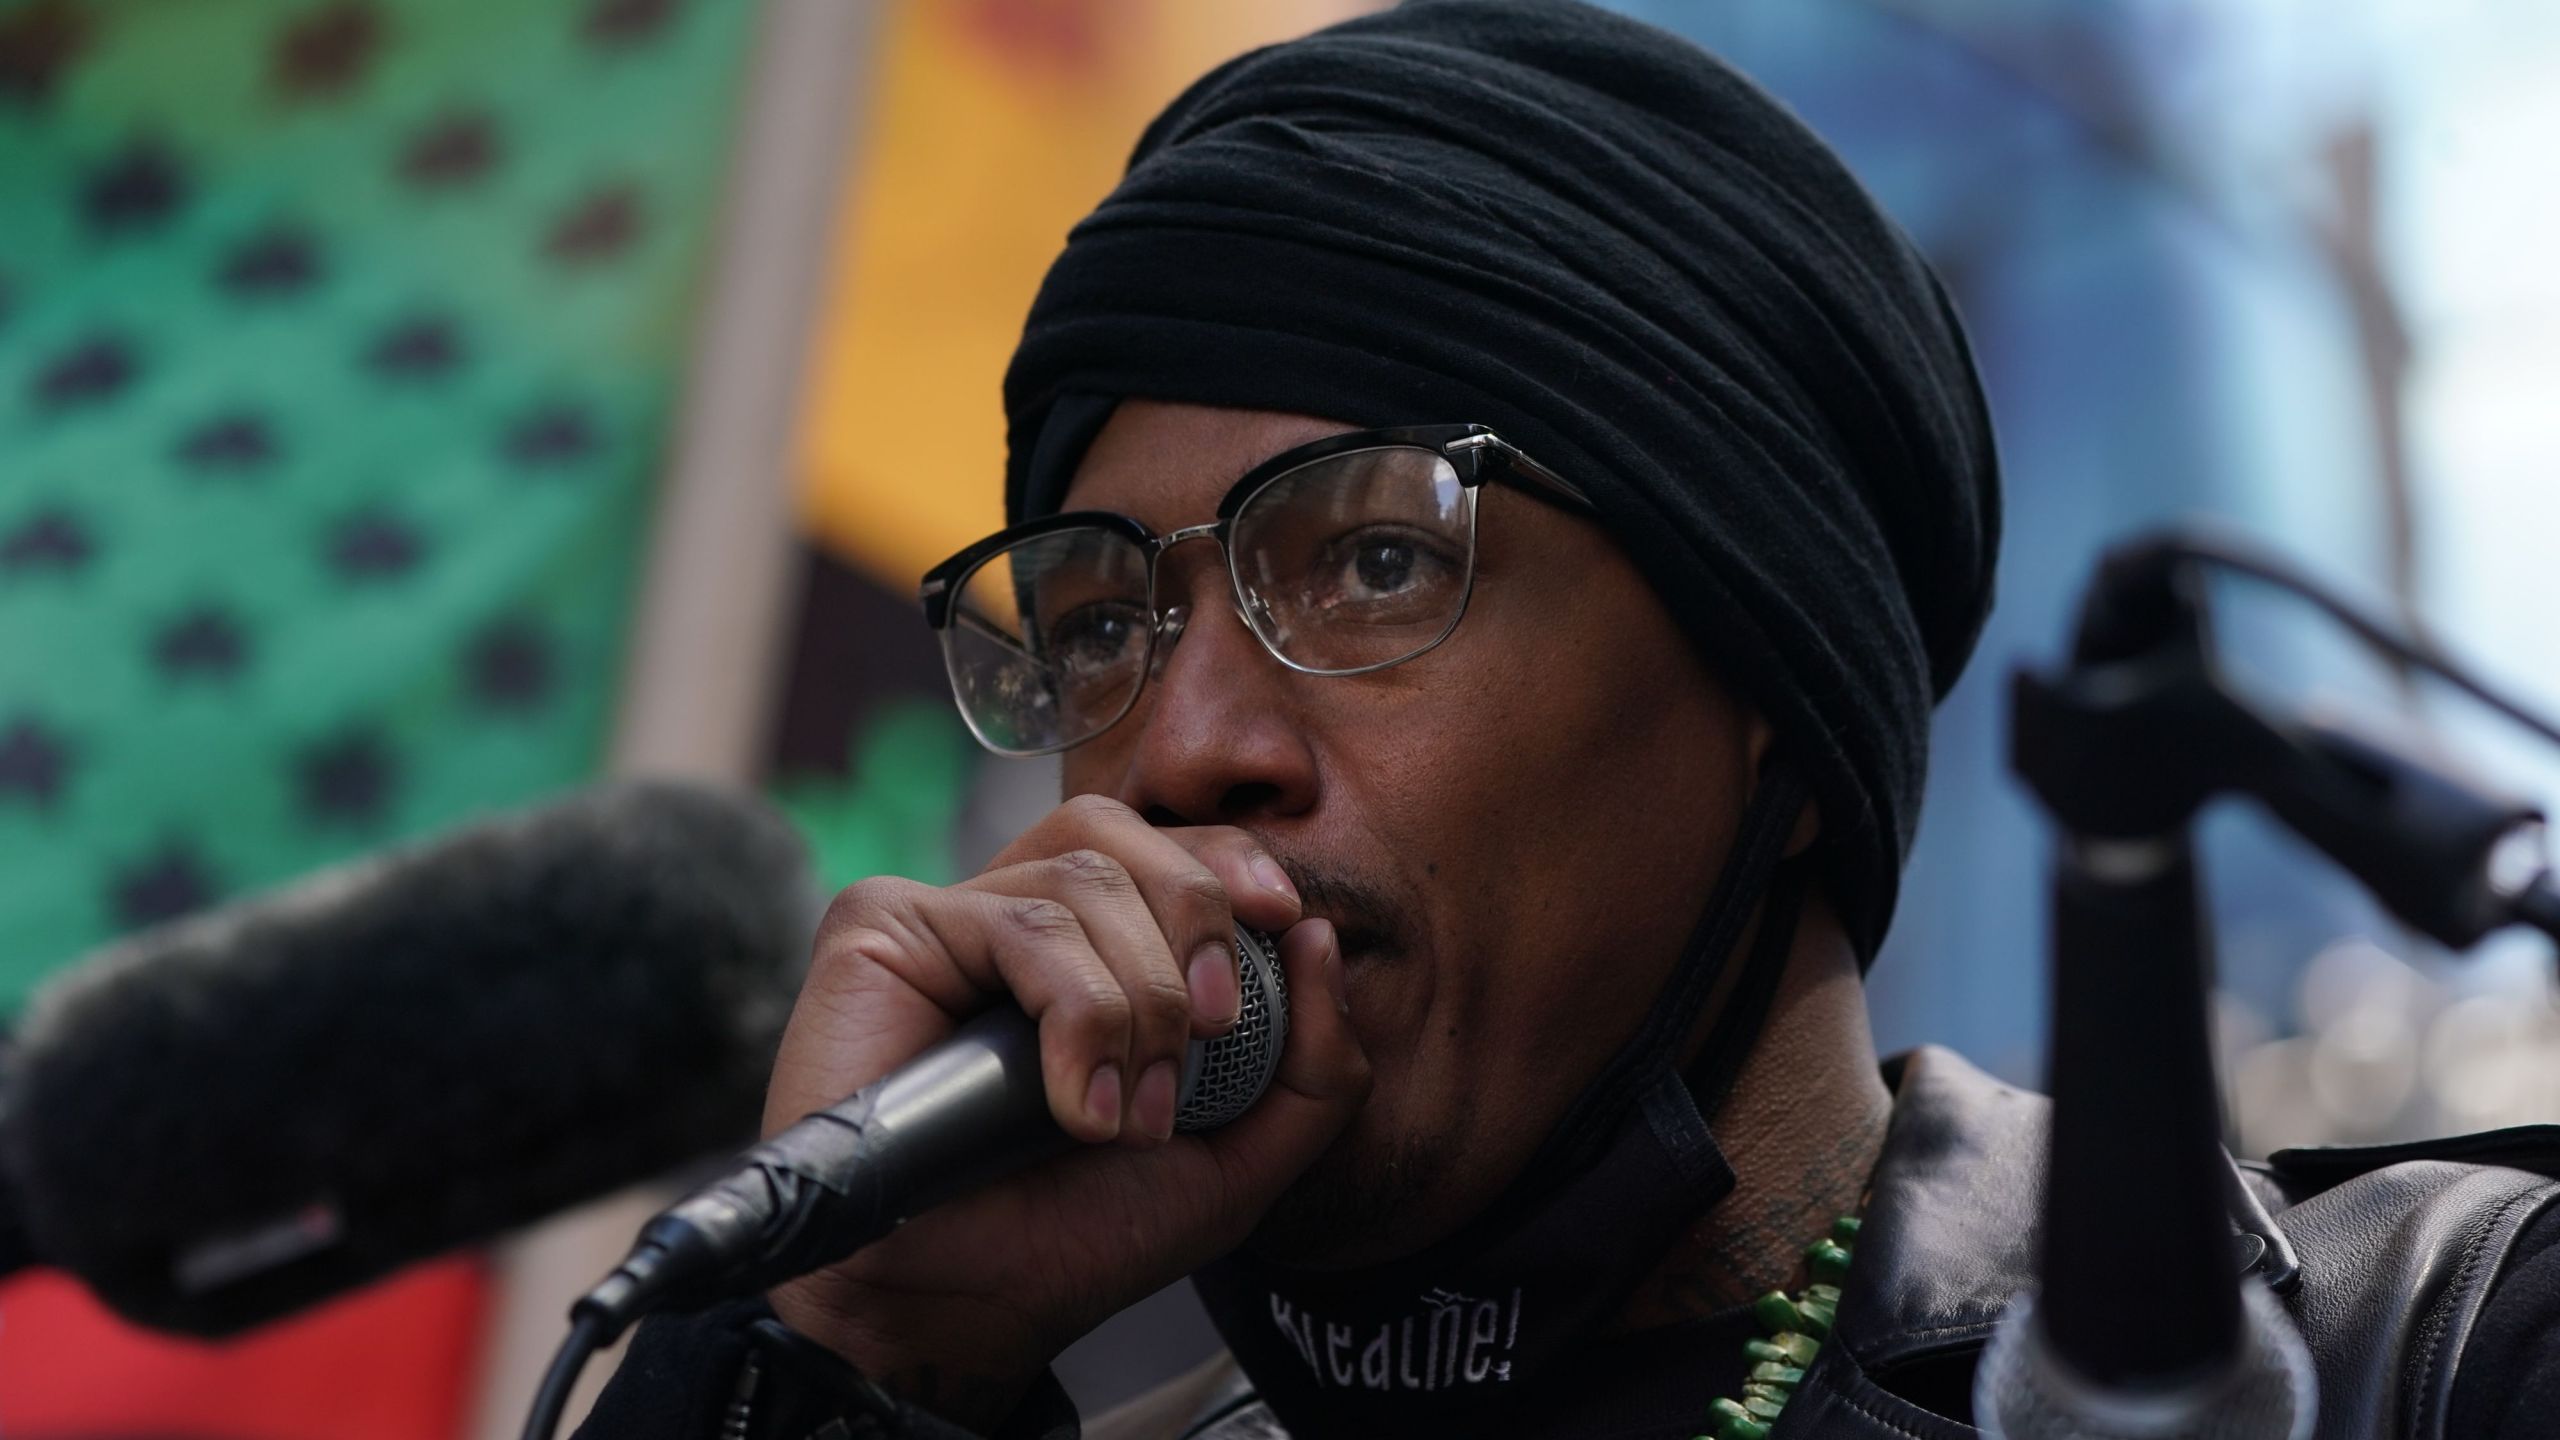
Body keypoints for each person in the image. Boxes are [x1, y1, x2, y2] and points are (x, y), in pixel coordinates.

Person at [582, 3, 2560, 1437]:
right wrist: (852, 1355)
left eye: (1365, 567)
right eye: (1097, 618)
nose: (1180, 746)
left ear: (1768, 706)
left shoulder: (2430, 1351)